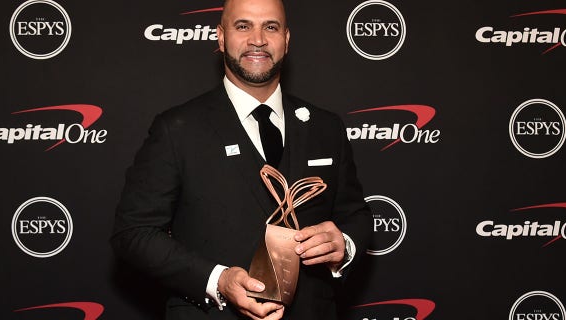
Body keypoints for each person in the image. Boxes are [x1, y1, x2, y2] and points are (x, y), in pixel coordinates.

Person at [111, 0, 372, 319]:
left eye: (271, 27)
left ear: (286, 40)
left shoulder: (325, 127)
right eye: (243, 26)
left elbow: (355, 215)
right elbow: (134, 233)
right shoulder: (177, 129)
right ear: (221, 38)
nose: (258, 39)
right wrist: (218, 280)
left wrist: (344, 244)